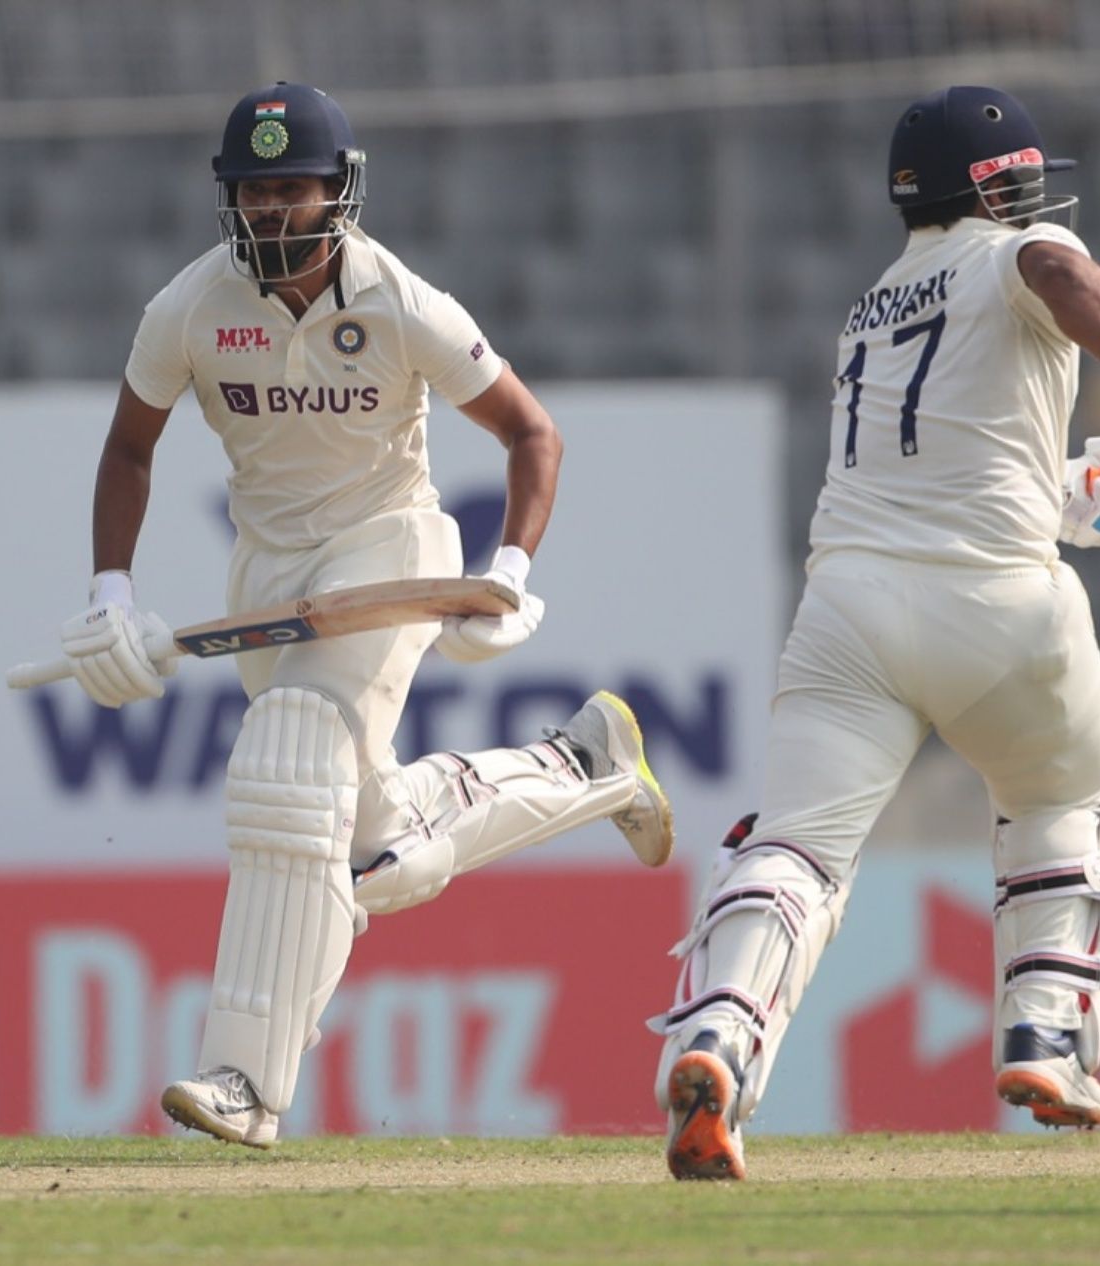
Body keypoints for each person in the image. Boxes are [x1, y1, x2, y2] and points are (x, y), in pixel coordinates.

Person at [54, 82, 674, 1149]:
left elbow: (532, 436)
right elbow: (128, 449)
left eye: (292, 188)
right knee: (373, 849)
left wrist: (510, 571)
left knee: (287, 769)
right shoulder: (191, 308)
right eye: (252, 192)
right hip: (270, 577)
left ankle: (244, 1082)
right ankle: (585, 765)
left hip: (392, 555)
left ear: (339, 190)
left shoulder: (401, 302)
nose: (270, 212)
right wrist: (111, 588)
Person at [651, 86, 1100, 1179]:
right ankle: (1047, 1035)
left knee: (796, 847)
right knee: (1065, 792)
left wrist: (1075, 492)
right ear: (993, 185)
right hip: (996, 603)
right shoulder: (1028, 250)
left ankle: (714, 1040)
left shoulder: (875, 301)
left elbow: (949, 460)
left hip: (846, 610)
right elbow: (1058, 267)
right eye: (1019, 178)